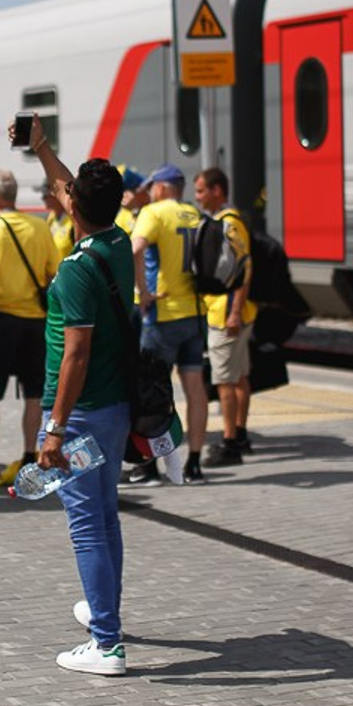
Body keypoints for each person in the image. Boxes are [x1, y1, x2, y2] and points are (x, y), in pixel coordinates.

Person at [25, 116, 133, 676]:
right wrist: (42, 148)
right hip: (115, 410)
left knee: (86, 522)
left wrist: (54, 429)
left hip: (81, 416)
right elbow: (77, 191)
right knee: (105, 514)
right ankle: (102, 608)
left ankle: (108, 643)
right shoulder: (117, 244)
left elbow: (75, 354)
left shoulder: (73, 271)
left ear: (72, 208)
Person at [0, 168, 60, 484]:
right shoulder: (40, 228)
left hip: (2, 321)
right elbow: (52, 276)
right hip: (36, 322)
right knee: (34, 392)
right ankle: (30, 457)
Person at [128, 164, 203, 486]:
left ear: (160, 187)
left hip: (162, 314)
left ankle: (149, 466)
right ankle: (195, 465)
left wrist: (142, 291)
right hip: (194, 314)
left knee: (151, 392)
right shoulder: (193, 214)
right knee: (195, 388)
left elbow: (136, 248)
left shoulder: (154, 213)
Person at [194, 168, 256, 471]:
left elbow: (243, 272)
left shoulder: (229, 224)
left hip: (226, 314)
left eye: (201, 190)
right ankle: (241, 434)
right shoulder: (231, 221)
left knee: (225, 381)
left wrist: (232, 312)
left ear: (217, 190)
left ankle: (230, 443)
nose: (197, 197)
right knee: (240, 376)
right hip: (237, 313)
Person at [42, 179, 75, 261]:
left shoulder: (73, 220)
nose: (42, 198)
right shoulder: (51, 217)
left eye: (45, 195)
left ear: (56, 195)